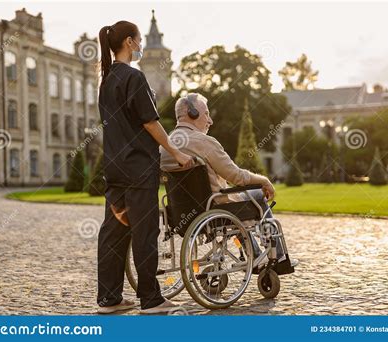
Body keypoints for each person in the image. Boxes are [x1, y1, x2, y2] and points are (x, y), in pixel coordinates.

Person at [96, 21, 195, 315]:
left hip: (114, 169)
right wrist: (175, 151)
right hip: (138, 168)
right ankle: (151, 299)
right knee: (144, 232)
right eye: (138, 40)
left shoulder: (106, 80)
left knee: (113, 234)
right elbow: (150, 123)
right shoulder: (134, 78)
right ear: (129, 41)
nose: (140, 45)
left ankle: (109, 299)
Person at [160, 93, 297, 272]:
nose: (210, 121)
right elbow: (237, 176)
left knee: (238, 201)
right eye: (206, 114)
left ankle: (254, 256)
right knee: (256, 194)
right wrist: (263, 180)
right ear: (192, 113)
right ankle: (277, 257)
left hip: (180, 213)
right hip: (214, 209)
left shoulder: (164, 147)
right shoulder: (205, 142)